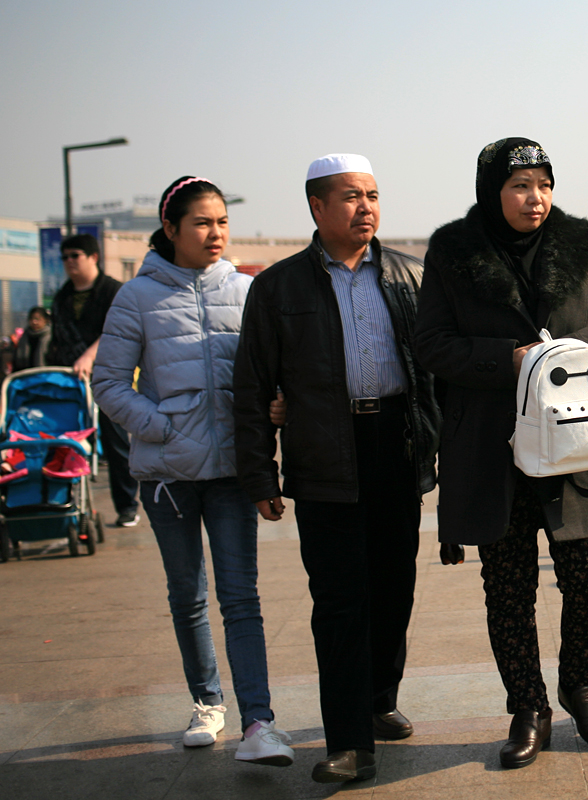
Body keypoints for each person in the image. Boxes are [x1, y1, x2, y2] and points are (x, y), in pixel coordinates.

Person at [414, 137, 588, 769]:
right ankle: (528, 707)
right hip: (491, 446)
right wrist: (507, 360)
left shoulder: (580, 245)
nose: (534, 198)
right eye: (519, 186)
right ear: (492, 191)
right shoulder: (453, 254)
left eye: (543, 184)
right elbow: (430, 343)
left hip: (574, 443)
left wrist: (564, 356)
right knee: (507, 586)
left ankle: (579, 685)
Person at [233, 154, 439, 784]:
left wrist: (445, 454)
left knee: (394, 589)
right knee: (340, 601)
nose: (366, 207)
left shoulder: (409, 274)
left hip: (396, 446)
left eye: (373, 194)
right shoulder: (279, 287)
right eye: (351, 196)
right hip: (324, 453)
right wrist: (259, 475)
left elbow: (434, 372)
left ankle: (378, 699)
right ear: (317, 208)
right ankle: (348, 739)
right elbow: (251, 386)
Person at [92, 176, 294, 767]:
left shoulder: (246, 290)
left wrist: (274, 408)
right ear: (171, 229)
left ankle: (259, 722)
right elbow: (107, 382)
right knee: (189, 596)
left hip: (234, 473)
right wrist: (160, 428)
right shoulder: (137, 297)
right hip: (167, 478)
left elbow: (266, 374)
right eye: (202, 223)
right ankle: (208, 702)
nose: (215, 233)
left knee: (241, 598)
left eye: (222, 222)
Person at [50, 233, 140, 527]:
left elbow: (118, 332)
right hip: (70, 383)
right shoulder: (62, 297)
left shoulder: (114, 291)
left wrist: (89, 356)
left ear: (93, 257)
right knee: (64, 445)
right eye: (64, 257)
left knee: (115, 443)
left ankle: (127, 506)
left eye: (75, 255)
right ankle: (64, 507)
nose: (69, 263)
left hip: (109, 379)